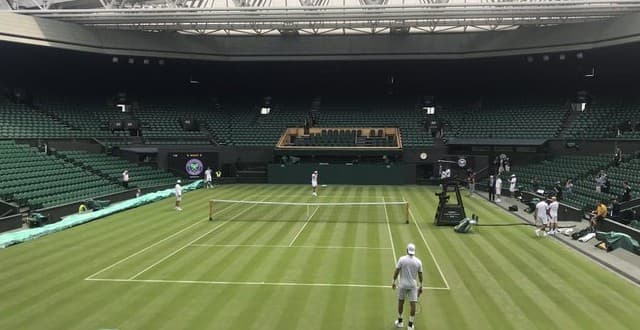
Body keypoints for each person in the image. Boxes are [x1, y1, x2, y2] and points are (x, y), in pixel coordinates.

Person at [392, 243, 423, 330]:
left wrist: (393, 281)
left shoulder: (402, 259)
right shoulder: (418, 261)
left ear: (407, 250)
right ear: (414, 251)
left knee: (401, 302)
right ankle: (410, 325)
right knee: (413, 304)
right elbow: (420, 275)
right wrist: (421, 286)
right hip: (413, 285)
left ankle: (400, 322)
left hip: (402, 284)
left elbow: (396, 271)